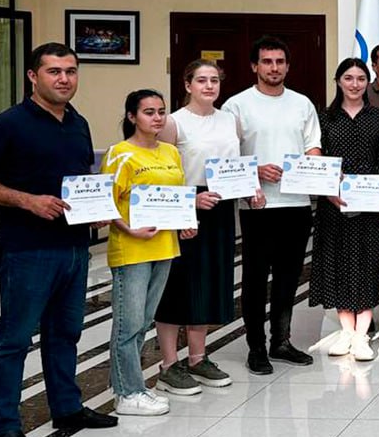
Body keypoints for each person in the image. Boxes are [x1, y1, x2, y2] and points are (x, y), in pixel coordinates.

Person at [0, 43, 118, 437]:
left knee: (65, 333)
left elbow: (78, 179)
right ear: (33, 76)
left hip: (74, 248)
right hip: (27, 249)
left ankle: (66, 407)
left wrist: (93, 211)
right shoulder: (7, 124)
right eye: (54, 71)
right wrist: (27, 200)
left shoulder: (78, 123)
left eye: (70, 71)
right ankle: (6, 425)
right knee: (14, 340)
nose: (64, 79)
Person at [153, 60, 255, 395]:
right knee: (176, 286)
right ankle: (168, 365)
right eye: (201, 80)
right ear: (188, 85)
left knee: (208, 284)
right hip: (186, 207)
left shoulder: (229, 119)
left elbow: (235, 165)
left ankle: (198, 358)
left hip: (220, 208)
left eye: (214, 80)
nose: (209, 86)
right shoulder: (173, 123)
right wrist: (185, 210)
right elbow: (164, 174)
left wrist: (250, 189)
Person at [223, 36, 321, 375]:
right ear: (255, 66)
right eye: (267, 61)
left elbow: (313, 148)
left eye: (280, 61)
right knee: (254, 279)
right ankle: (256, 347)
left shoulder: (302, 104)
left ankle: (281, 340)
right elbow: (228, 157)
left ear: (288, 66)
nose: (274, 67)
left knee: (288, 277)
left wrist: (314, 171)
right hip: (258, 206)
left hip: (297, 204)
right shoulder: (236, 106)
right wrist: (255, 171)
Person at [102, 90, 192, 416]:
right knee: (128, 325)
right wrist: (129, 228)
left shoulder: (171, 151)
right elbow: (105, 200)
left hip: (165, 247)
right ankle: (127, 393)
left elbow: (177, 194)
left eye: (161, 112)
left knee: (143, 322)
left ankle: (133, 386)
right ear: (132, 117)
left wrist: (185, 221)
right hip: (132, 250)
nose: (157, 118)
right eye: (148, 112)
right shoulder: (120, 154)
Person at [310, 58, 379, 359]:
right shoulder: (324, 118)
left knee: (367, 265)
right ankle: (346, 332)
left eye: (361, 78)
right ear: (338, 81)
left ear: (367, 81)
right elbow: (317, 162)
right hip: (333, 206)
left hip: (371, 207)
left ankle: (362, 335)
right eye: (348, 78)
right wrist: (329, 191)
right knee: (338, 265)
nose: (355, 84)